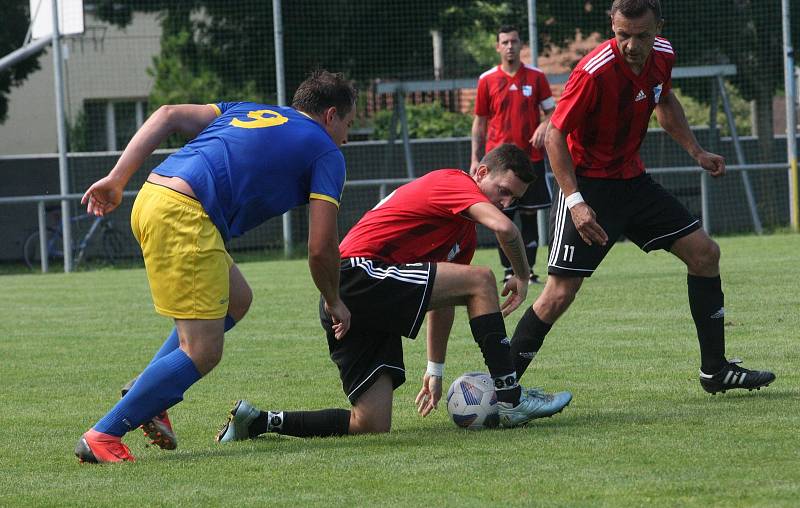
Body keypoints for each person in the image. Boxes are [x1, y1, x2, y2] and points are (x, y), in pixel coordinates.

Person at [74, 70, 358, 464]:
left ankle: (147, 391)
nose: (346, 136)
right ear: (331, 116)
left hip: (153, 196)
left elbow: (168, 113)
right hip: (185, 215)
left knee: (237, 298)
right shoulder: (327, 152)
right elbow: (321, 247)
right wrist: (334, 300)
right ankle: (103, 434)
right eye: (348, 124)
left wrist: (117, 179)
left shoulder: (246, 111)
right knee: (203, 351)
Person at [215, 144, 573, 442]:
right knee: (482, 278)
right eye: (503, 191)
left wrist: (435, 368)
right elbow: (505, 229)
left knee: (371, 423)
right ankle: (509, 398)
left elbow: (445, 300)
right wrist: (522, 275)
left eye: (514, 198)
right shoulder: (453, 182)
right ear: (480, 173)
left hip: (360, 299)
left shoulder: (461, 234)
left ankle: (258, 421)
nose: (506, 202)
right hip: (357, 275)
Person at [509, 0, 776, 395]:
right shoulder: (593, 72)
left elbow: (664, 101)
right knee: (559, 294)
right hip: (589, 188)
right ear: (612, 27)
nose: (632, 45)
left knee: (705, 254)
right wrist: (576, 201)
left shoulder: (663, 56)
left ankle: (715, 370)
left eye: (642, 36)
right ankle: (503, 384)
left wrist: (697, 152)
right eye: (623, 35)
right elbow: (554, 135)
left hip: (633, 183)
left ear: (658, 29)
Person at [471, 25, 556, 285]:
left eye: (514, 41)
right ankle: (509, 270)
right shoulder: (487, 79)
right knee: (501, 216)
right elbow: (480, 122)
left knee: (530, 214)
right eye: (505, 42)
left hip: (530, 160)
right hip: (498, 165)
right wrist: (475, 158)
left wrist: (544, 125)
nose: (510, 46)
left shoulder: (536, 76)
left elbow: (553, 113)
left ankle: (528, 271)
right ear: (498, 47)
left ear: (521, 45)